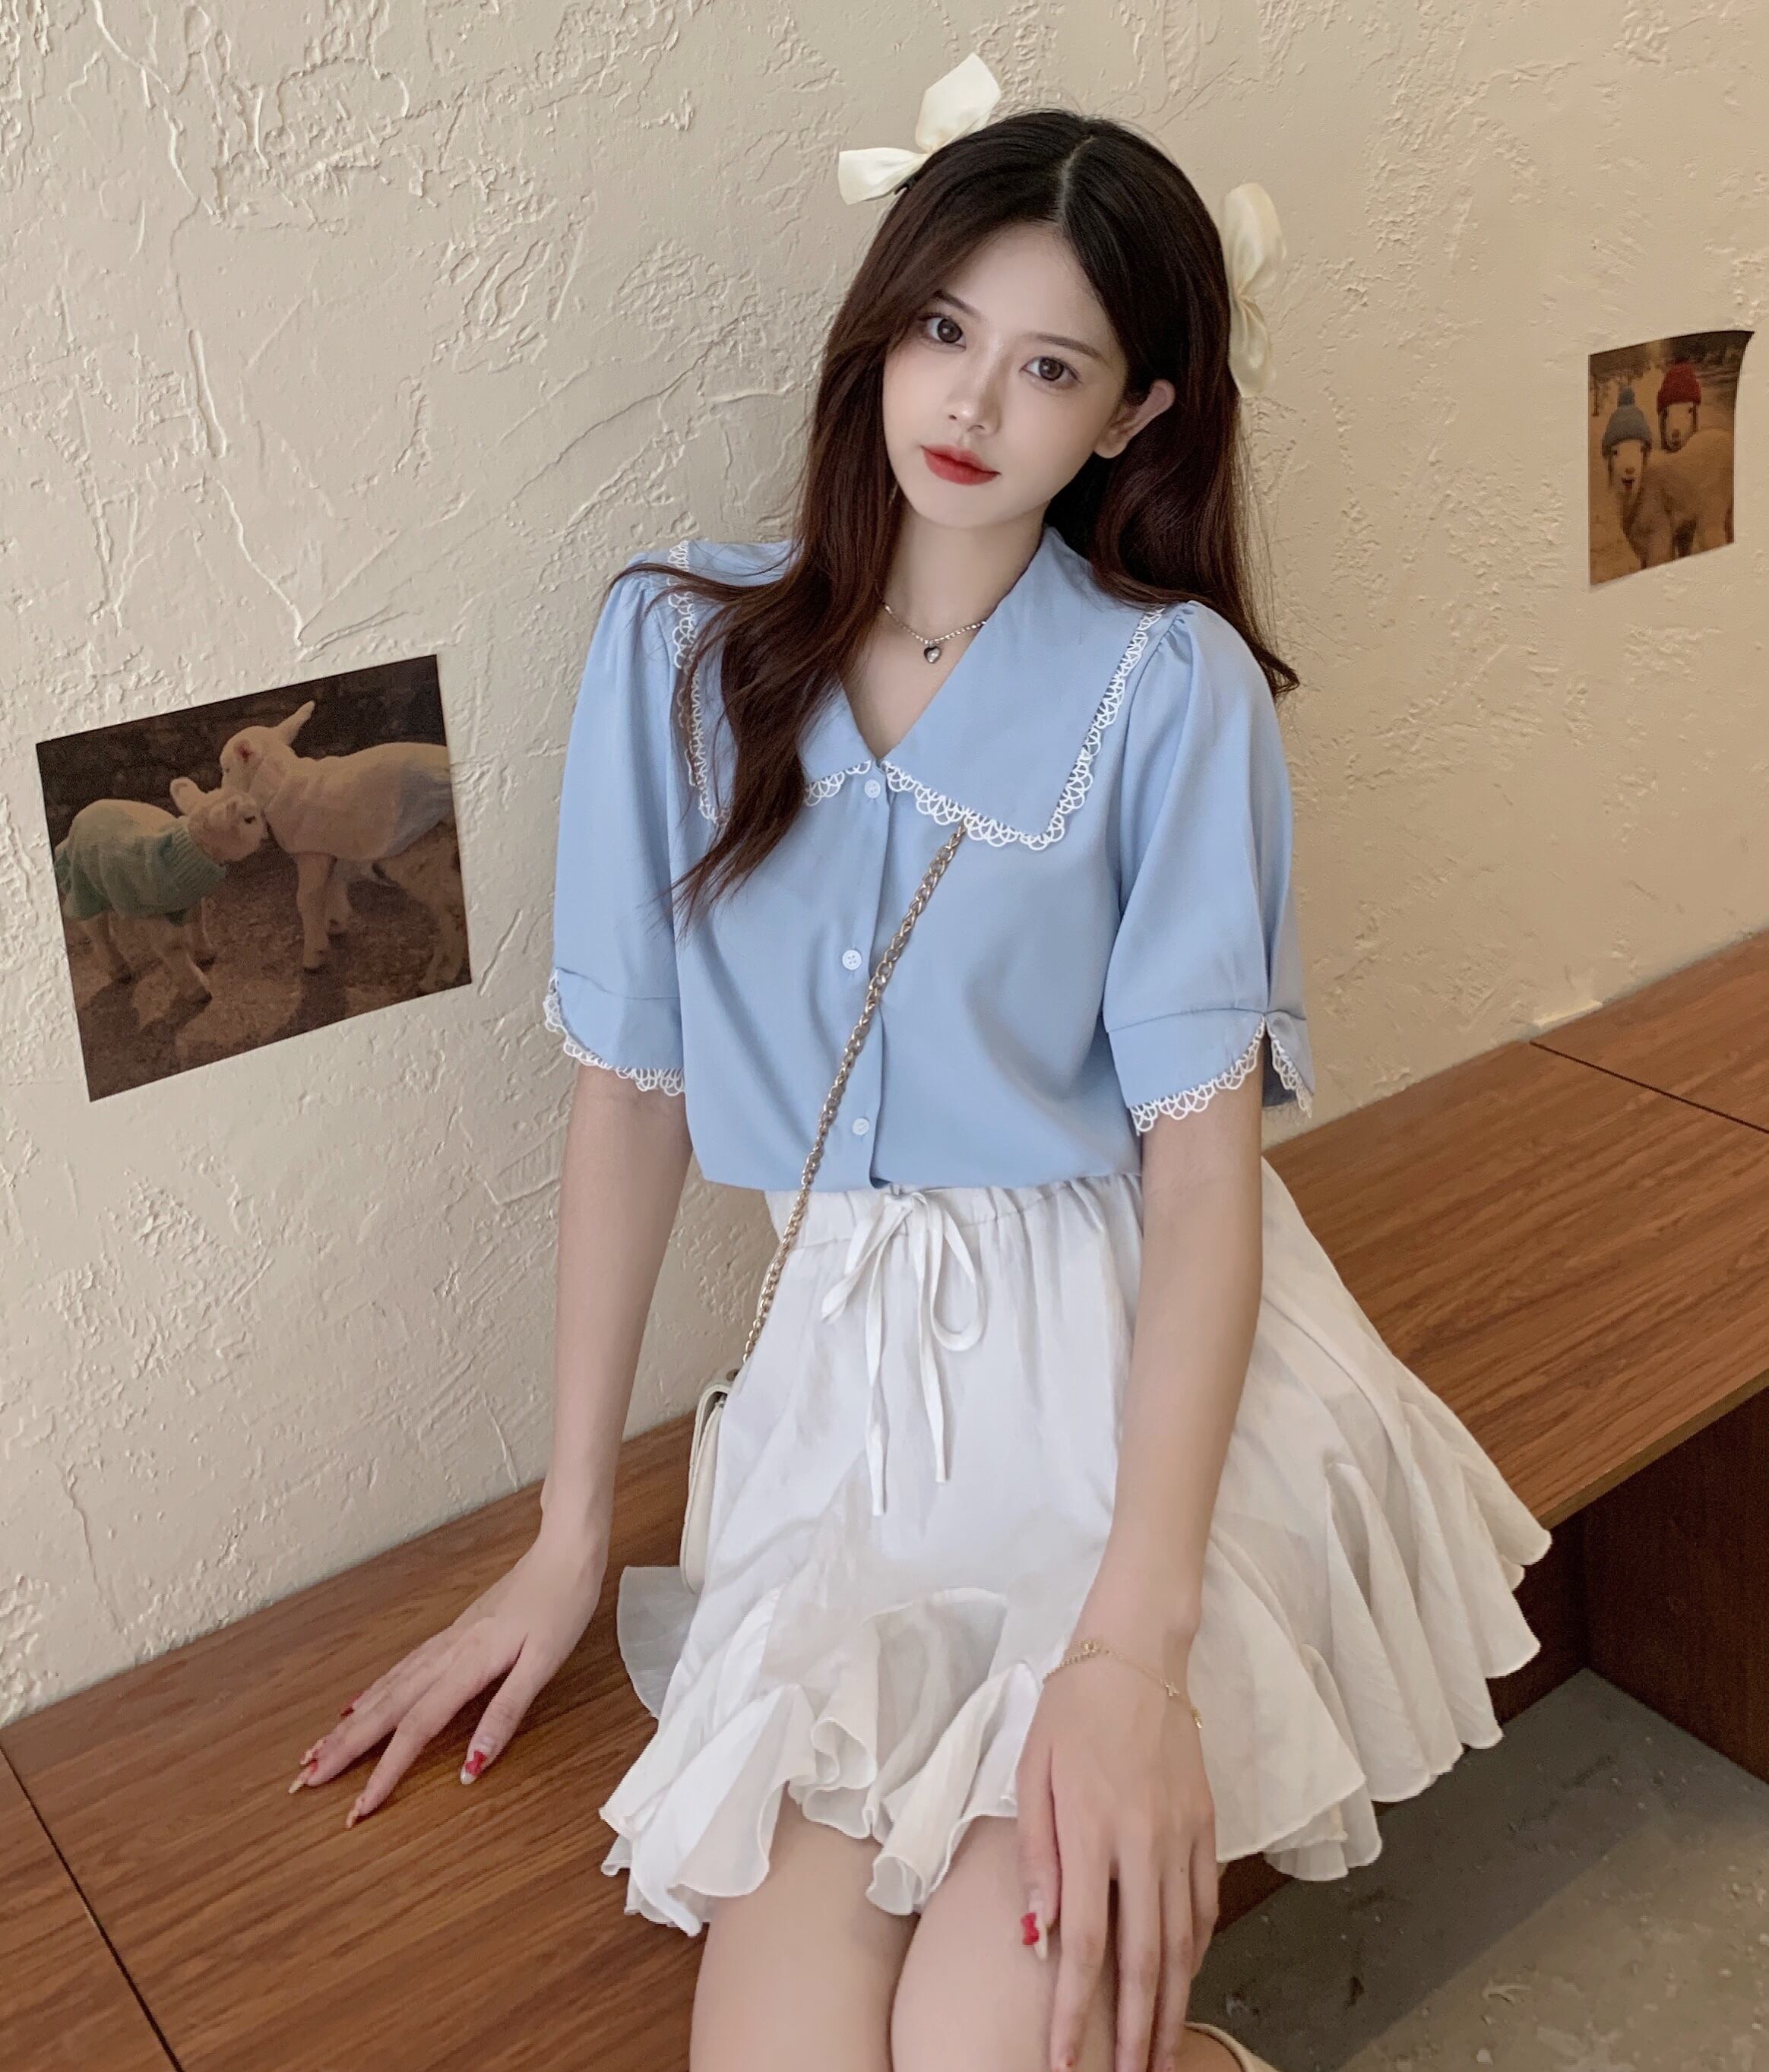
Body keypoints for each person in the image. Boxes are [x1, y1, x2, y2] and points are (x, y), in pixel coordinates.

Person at [286, 54, 1551, 2072]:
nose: (970, 403)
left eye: (1051, 369)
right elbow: (630, 1096)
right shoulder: (677, 655)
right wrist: (563, 1543)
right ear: (881, 328)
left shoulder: (1170, 692)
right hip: (845, 1415)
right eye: (945, 330)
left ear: (1133, 414)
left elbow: (1200, 1173)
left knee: (988, 2038)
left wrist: (1132, 1653)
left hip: (1116, 1379)